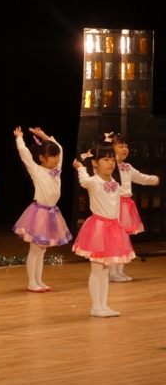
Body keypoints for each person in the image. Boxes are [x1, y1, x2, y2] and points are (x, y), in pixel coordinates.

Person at [72, 144, 135, 317]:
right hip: (98, 229)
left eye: (112, 160)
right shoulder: (94, 181)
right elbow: (84, 181)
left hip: (113, 228)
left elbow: (115, 207)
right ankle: (96, 307)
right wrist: (80, 167)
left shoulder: (114, 182)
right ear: (95, 163)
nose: (110, 163)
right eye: (106, 160)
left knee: (105, 270)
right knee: (97, 269)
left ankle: (104, 305)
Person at [12, 127, 72, 292]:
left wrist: (43, 136)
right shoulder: (37, 170)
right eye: (52, 156)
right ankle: (32, 282)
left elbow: (60, 148)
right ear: (41, 158)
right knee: (35, 249)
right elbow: (24, 154)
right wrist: (19, 138)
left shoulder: (56, 170)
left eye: (57, 156)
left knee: (42, 250)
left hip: (51, 212)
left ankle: (39, 280)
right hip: (39, 213)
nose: (57, 159)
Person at [108, 133, 159, 282]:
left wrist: (155, 179)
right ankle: (112, 272)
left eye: (126, 146)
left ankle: (120, 270)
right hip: (114, 205)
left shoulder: (127, 167)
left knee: (125, 239)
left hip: (126, 206)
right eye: (120, 146)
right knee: (115, 238)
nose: (125, 149)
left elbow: (140, 177)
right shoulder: (109, 166)